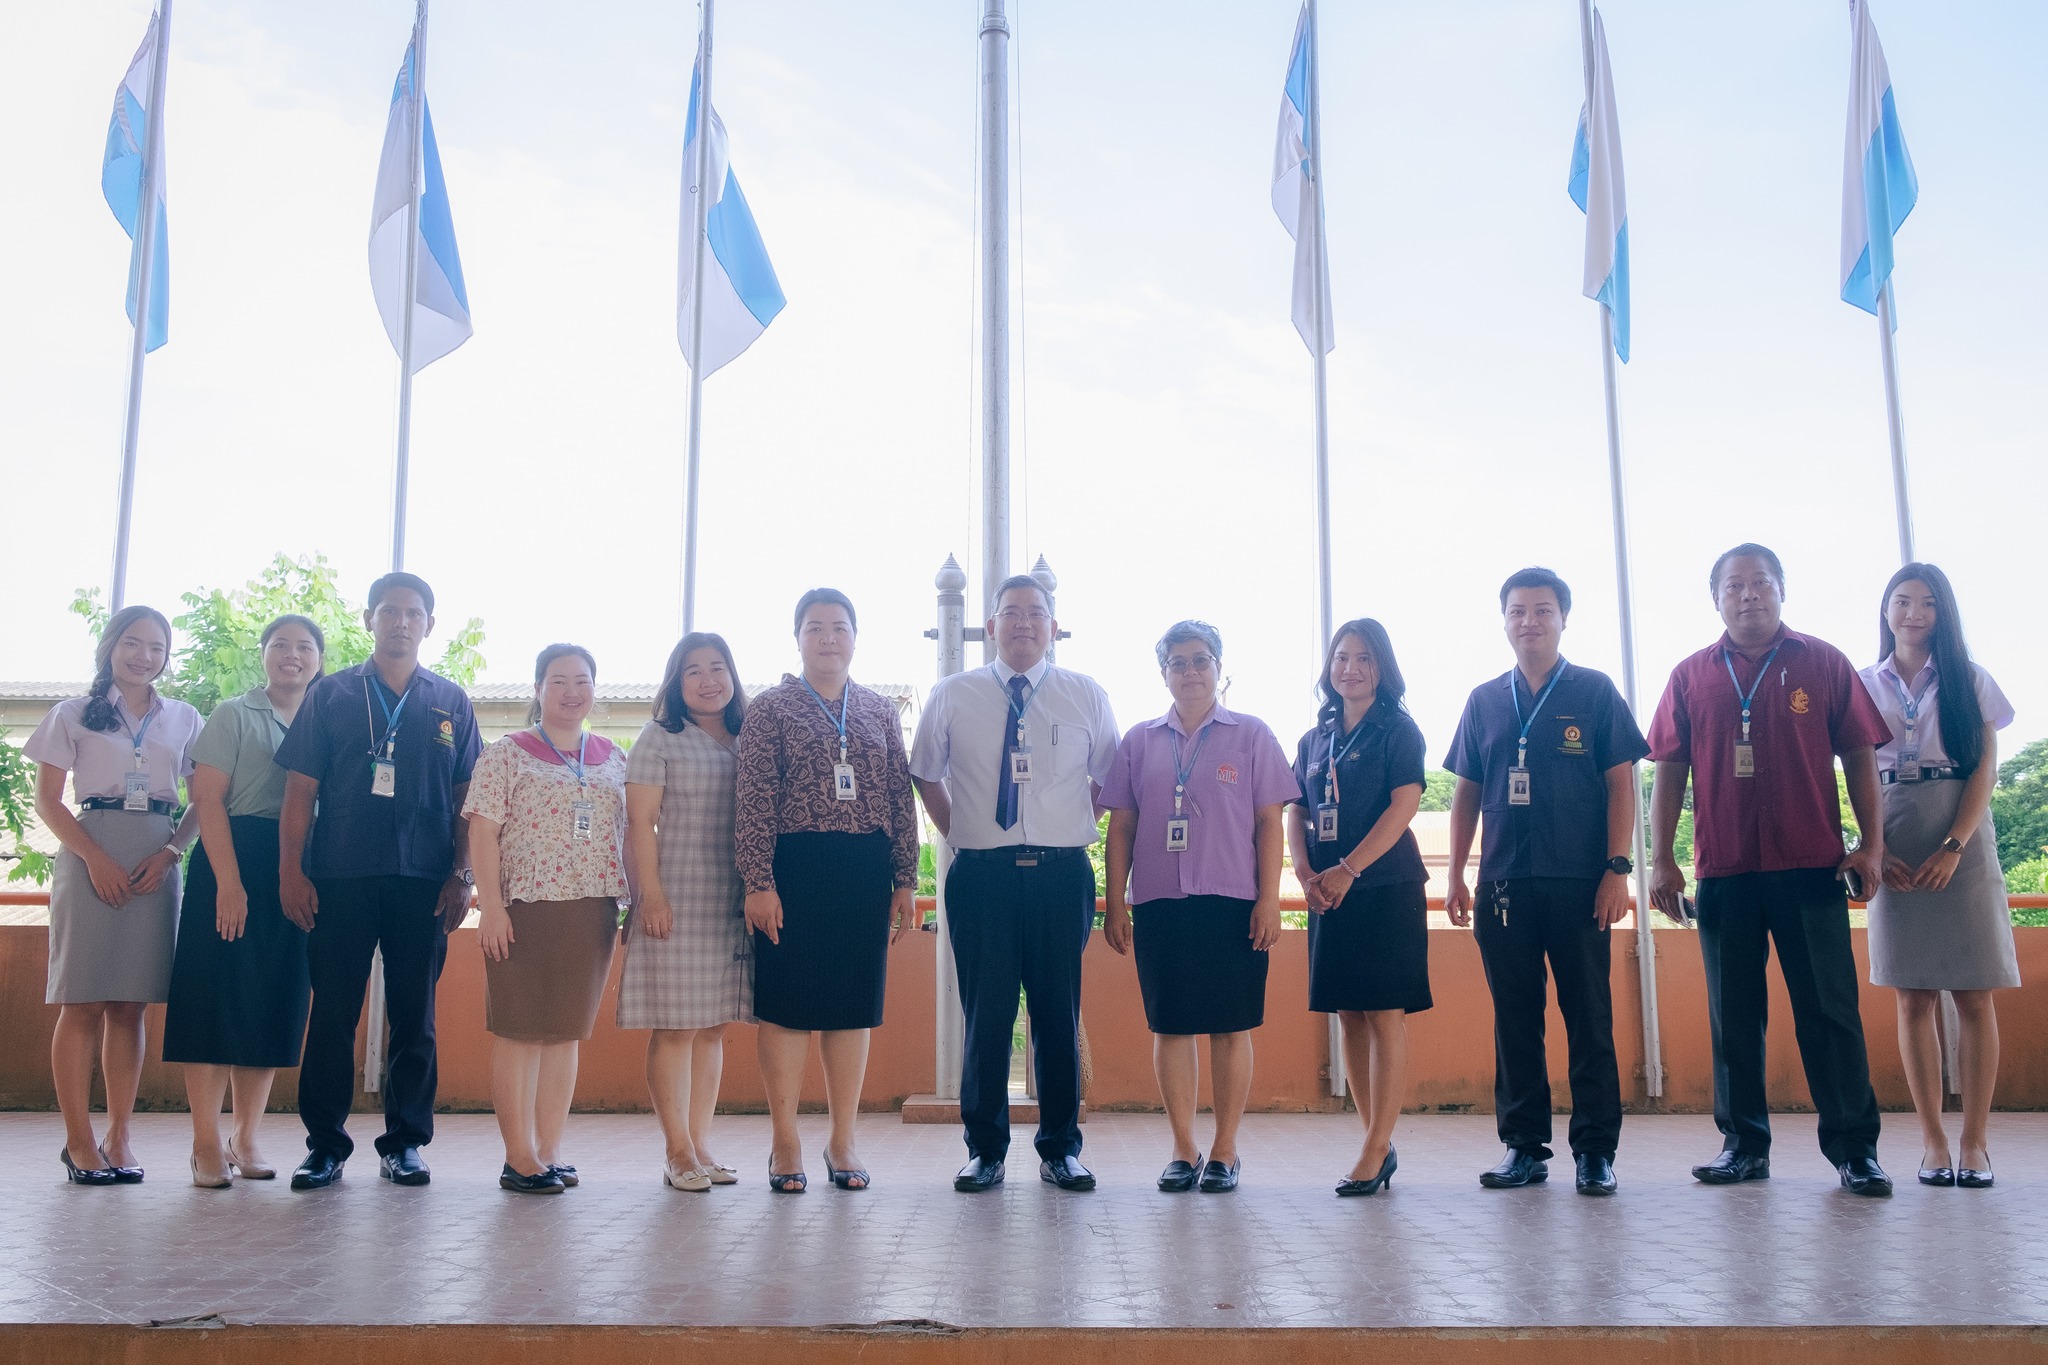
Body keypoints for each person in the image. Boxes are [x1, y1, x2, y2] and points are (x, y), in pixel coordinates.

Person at [1647, 543, 1894, 1196]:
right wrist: (1662, 857)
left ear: (1782, 590)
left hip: (1810, 864)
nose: (1748, 594)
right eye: (1734, 585)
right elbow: (1668, 769)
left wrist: (1871, 844)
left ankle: (1854, 1150)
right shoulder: (1690, 675)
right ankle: (1743, 1144)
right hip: (1724, 870)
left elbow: (1860, 754)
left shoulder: (1823, 661)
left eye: (1760, 582)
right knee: (1735, 1016)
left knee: (1830, 1012)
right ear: (1716, 599)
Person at [910, 574, 1121, 1194]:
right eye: (1010, 613)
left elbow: (1111, 780)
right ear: (992, 625)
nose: (1023, 623)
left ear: (1054, 626)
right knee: (987, 1013)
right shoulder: (954, 694)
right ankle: (986, 1151)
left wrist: (1068, 823)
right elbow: (924, 773)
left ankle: (1060, 1149)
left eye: (1036, 613)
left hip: (1061, 876)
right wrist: (962, 831)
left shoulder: (1085, 695)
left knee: (1058, 1012)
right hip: (981, 877)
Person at [1442, 569, 1647, 1197]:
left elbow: (1622, 785)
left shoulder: (1594, 691)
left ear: (1563, 618)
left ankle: (1595, 1151)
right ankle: (1524, 1147)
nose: (1529, 621)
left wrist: (1617, 871)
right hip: (1504, 884)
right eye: (1517, 611)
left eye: (1543, 610)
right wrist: (1456, 871)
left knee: (1589, 1016)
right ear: (1503, 621)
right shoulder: (1483, 700)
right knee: (1515, 1018)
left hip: (1583, 883)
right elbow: (1467, 793)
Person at [276, 571, 481, 1192]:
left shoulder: (451, 701)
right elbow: (299, 791)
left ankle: (405, 1144)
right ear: (369, 620)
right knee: (333, 1012)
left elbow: (467, 795)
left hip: (425, 881)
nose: (400, 622)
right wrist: (291, 872)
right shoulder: (331, 693)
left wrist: (462, 874)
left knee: (415, 1016)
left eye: (412, 613)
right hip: (340, 876)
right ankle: (326, 1147)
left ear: (428, 624)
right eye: (388, 611)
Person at [1102, 620, 1296, 1194]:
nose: (1190, 671)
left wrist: (1269, 899)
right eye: (1178, 662)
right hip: (1161, 902)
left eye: (1201, 660)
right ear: (1163, 673)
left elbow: (1270, 823)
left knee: (1231, 1029)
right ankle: (1183, 1150)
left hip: (1234, 901)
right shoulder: (1139, 741)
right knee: (1170, 1027)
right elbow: (1121, 828)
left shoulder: (1252, 735)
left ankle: (1225, 1150)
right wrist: (1117, 902)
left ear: (1219, 668)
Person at [734, 589, 918, 1192]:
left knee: (850, 1010)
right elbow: (754, 800)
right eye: (815, 627)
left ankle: (843, 1139)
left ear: (855, 638)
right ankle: (785, 1140)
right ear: (798, 638)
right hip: (794, 867)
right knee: (787, 1011)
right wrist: (758, 882)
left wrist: (904, 878)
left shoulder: (879, 709)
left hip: (863, 869)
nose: (828, 638)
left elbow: (899, 796)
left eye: (839, 627)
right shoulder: (771, 708)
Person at [27, 605, 202, 1185]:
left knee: (131, 1004)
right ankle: (78, 1142)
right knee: (84, 1001)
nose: (143, 656)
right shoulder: (72, 713)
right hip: (90, 848)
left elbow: (205, 801)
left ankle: (119, 1135)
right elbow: (48, 801)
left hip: (156, 853)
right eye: (132, 643)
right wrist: (94, 857)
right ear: (110, 647)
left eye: (156, 647)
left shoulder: (183, 717)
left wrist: (173, 852)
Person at [1859, 563, 2018, 1189]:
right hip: (1891, 827)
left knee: (1973, 994)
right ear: (1886, 610)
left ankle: (1975, 1142)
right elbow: (1850, 772)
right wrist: (1872, 849)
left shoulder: (1969, 680)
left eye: (1927, 603)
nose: (1914, 614)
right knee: (1914, 995)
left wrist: (1956, 844)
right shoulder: (1864, 684)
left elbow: (1984, 771)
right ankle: (1931, 1142)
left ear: (1943, 614)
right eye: (1902, 601)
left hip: (1961, 832)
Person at [162, 614, 325, 1187]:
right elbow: (207, 799)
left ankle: (247, 1137)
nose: (292, 655)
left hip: (297, 866)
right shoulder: (233, 713)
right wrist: (230, 884)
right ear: (262, 654)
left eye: (305, 646)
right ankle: (206, 1142)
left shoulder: (326, 714)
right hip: (234, 856)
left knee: (273, 1001)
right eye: (280, 644)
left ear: (320, 659)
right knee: (214, 999)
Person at [465, 644, 628, 1195]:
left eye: (581, 680)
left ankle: (550, 1150)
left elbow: (631, 835)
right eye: (558, 680)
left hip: (592, 910)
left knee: (564, 1036)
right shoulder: (507, 753)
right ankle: (519, 1157)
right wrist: (491, 906)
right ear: (538, 689)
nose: (571, 691)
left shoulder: (613, 756)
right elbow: (482, 831)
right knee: (520, 1032)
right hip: (524, 908)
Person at [1282, 618, 1430, 1197]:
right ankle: (1378, 1141)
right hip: (1325, 892)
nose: (1350, 668)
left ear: (1382, 667)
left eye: (1364, 658)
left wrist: (1348, 869)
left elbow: (1404, 806)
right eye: (1341, 657)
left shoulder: (1398, 729)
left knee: (1384, 1013)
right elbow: (1296, 808)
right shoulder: (1315, 737)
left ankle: (1373, 1146)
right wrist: (1303, 868)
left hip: (1384, 889)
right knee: (1349, 1013)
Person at [620, 632, 753, 1193]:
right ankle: (676, 1151)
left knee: (713, 1027)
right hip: (674, 898)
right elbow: (638, 825)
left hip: (733, 898)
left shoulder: (750, 736)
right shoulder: (660, 737)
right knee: (676, 1027)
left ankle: (701, 1145)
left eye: (717, 667)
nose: (707, 680)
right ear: (676, 682)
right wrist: (649, 895)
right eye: (693, 670)